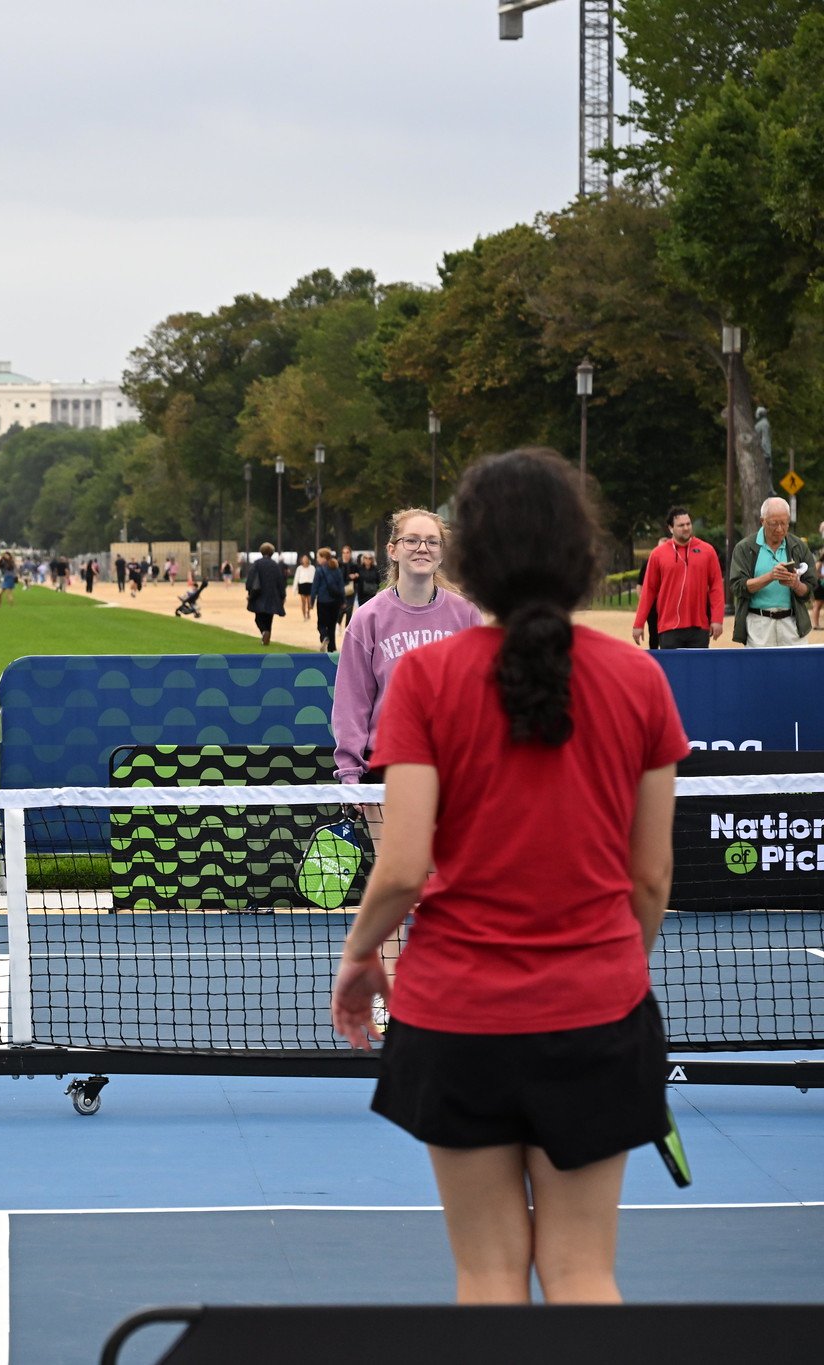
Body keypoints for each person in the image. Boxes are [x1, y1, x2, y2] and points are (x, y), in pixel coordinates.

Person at [330, 448, 687, 1305]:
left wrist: (360, 955)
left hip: (457, 1017)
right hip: (598, 1013)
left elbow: (401, 868)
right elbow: (650, 879)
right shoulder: (640, 678)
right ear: (582, 553)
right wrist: (611, 966)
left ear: (472, 556)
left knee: (487, 1274)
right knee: (584, 1271)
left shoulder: (425, 678)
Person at [332, 508, 485, 1023]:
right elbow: (351, 703)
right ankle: (390, 996)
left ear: (442, 551)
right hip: (387, 776)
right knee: (396, 886)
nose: (422, 548)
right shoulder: (368, 619)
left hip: (453, 776)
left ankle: (454, 992)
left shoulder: (465, 616)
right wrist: (350, 776)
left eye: (432, 541)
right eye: (412, 540)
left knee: (451, 888)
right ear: (393, 550)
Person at [631, 507, 723, 650]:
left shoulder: (708, 551)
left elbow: (716, 587)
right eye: (681, 525)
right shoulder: (657, 554)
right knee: (671, 665)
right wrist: (639, 623)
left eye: (688, 524)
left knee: (698, 665)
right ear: (670, 528)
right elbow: (649, 590)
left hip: (699, 627)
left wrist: (717, 619)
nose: (686, 528)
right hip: (668, 627)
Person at [727, 496, 812, 648]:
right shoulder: (745, 548)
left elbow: (810, 589)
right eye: (774, 523)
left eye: (784, 523)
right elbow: (737, 587)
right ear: (762, 521)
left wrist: (796, 584)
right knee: (759, 664)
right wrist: (770, 576)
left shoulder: (798, 546)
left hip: (792, 624)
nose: (779, 529)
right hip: (758, 625)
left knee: (795, 664)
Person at [243, 542, 289, 646]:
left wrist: (249, 590)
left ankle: (264, 632)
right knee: (269, 618)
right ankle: (267, 637)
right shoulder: (275, 565)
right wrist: (283, 595)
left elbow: (251, 579)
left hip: (259, 594)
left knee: (258, 618)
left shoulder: (257, 564)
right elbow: (280, 581)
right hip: (272, 595)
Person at [312, 548, 346, 651]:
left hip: (323, 600)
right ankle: (332, 648)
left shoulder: (319, 570)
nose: (317, 559)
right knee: (332, 625)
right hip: (335, 601)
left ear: (324, 558)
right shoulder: (337, 569)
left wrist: (312, 600)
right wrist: (343, 601)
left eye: (318, 557)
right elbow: (341, 587)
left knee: (321, 624)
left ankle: (324, 637)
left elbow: (315, 587)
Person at [294, 551, 316, 620]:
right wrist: (295, 588)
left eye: (306, 558)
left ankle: (308, 612)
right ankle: (304, 616)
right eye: (304, 559)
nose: (305, 560)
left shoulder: (312, 568)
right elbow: (296, 578)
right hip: (302, 585)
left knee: (309, 602)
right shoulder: (299, 568)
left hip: (310, 585)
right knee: (303, 602)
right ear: (302, 560)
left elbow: (315, 577)